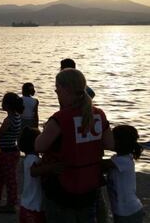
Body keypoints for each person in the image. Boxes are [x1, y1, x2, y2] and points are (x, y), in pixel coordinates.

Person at [35, 68, 114, 222]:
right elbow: (110, 144)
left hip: (63, 187)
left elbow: (39, 146)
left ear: (65, 89)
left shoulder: (60, 118)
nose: (56, 92)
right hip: (90, 185)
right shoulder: (99, 114)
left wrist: (45, 130)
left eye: (57, 89)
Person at [103, 125, 144, 223]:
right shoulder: (118, 159)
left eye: (111, 138)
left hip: (128, 212)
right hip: (124, 211)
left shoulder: (123, 161)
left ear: (119, 142)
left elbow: (99, 165)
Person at [18, 127, 46, 223]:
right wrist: (51, 167)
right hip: (34, 207)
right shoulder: (33, 159)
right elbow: (34, 172)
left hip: (26, 205)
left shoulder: (27, 159)